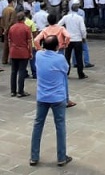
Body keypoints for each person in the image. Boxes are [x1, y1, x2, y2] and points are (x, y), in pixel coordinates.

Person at [29, 36, 72, 167]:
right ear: (56, 46)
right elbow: (66, 70)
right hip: (57, 97)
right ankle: (61, 157)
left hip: (42, 96)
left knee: (38, 125)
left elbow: (38, 44)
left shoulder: (39, 56)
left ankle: (34, 157)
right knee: (60, 126)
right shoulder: (60, 58)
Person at [58, 0, 88, 79]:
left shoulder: (66, 17)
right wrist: (84, 37)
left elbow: (59, 25)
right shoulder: (79, 18)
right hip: (77, 39)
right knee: (79, 57)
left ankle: (66, 72)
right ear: (77, 9)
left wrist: (64, 33)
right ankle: (80, 73)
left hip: (68, 39)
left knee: (67, 57)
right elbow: (83, 29)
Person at [8, 12, 33, 97]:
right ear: (24, 19)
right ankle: (20, 91)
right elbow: (29, 41)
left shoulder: (12, 28)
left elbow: (9, 40)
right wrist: (30, 52)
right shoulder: (26, 28)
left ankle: (13, 91)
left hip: (13, 51)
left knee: (13, 72)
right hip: (23, 52)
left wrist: (10, 50)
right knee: (22, 71)